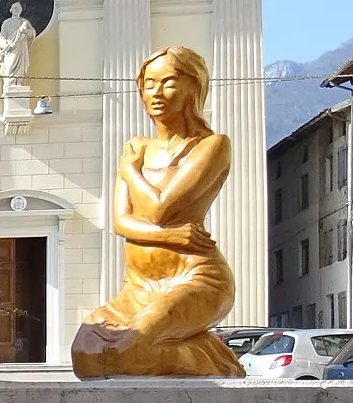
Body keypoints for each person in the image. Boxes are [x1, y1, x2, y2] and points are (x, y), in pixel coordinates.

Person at [71, 46, 240, 378]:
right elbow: (122, 221)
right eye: (149, 83)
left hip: (195, 278)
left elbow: (159, 208)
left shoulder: (212, 145)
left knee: (128, 350)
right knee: (86, 354)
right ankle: (203, 349)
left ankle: (219, 365)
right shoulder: (138, 148)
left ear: (194, 87)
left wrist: (131, 171)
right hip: (139, 286)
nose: (156, 93)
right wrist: (170, 236)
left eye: (169, 82)